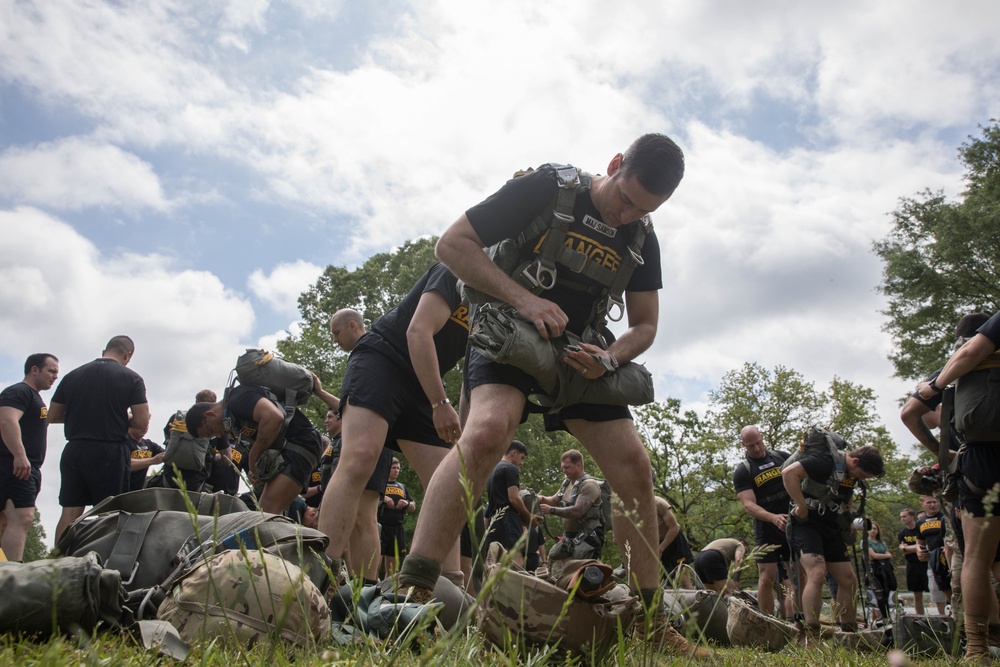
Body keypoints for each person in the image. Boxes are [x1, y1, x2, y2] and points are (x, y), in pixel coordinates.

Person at [396, 134, 705, 658]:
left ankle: (652, 625)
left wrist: (609, 358)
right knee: (488, 432)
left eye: (644, 211)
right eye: (625, 199)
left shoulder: (641, 238)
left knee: (633, 466)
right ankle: (411, 591)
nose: (627, 216)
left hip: (581, 355)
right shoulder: (547, 187)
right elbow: (452, 245)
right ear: (613, 165)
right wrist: (526, 299)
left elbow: (646, 325)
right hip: (510, 332)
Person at [319, 262, 470, 587]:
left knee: (449, 482)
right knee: (360, 457)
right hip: (383, 360)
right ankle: (320, 578)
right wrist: (441, 404)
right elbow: (418, 332)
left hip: (424, 384)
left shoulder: (503, 306)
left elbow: (474, 371)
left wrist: (466, 427)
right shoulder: (460, 267)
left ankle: (448, 593)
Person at [916, 309, 1000, 661]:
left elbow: (911, 412)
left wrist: (945, 453)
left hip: (979, 460)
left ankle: (977, 648)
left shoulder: (958, 365)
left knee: (977, 560)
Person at [184, 372, 338, 515]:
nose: (217, 435)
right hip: (292, 447)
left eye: (211, 430)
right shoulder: (233, 416)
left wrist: (253, 457)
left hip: (301, 443)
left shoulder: (237, 400)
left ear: (209, 414)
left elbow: (274, 417)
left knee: (267, 511)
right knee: (266, 510)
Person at [50, 336, 149, 541]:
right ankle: (100, 563)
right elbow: (141, 422)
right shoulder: (132, 378)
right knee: (108, 513)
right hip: (109, 451)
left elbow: (53, 416)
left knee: (70, 512)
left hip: (75, 448)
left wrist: (83, 415)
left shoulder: (72, 375)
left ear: (105, 350)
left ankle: (57, 563)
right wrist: (123, 418)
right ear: (127, 355)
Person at [782, 442, 884, 639]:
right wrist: (801, 505)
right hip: (806, 524)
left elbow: (847, 494)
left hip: (832, 526)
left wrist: (849, 517)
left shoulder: (851, 473)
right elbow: (788, 474)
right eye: (861, 474)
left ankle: (849, 632)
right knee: (817, 573)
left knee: (849, 579)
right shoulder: (824, 461)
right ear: (854, 461)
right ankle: (811, 633)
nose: (859, 478)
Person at [0, 353, 59, 561]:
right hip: (15, 465)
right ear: (34, 370)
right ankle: (11, 576)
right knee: (22, 518)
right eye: (51, 371)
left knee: (7, 522)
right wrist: (19, 455)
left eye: (56, 373)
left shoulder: (34, 397)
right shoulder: (19, 392)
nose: (55, 376)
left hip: (24, 466)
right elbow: (6, 421)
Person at [733, 425, 795, 620]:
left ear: (762, 436)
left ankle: (795, 620)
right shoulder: (743, 470)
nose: (757, 449)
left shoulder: (782, 457)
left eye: (758, 443)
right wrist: (772, 517)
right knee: (767, 577)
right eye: (751, 446)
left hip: (792, 522)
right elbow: (748, 505)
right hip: (767, 527)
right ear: (743, 445)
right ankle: (767, 622)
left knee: (796, 577)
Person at [538, 449, 605, 561]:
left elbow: (578, 511)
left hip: (587, 537)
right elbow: (554, 500)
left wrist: (552, 510)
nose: (564, 470)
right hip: (570, 537)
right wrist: (540, 498)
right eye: (563, 467)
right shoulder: (567, 483)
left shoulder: (589, 485)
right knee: (554, 556)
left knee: (583, 569)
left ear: (578, 465)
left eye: (567, 467)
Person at [484, 441, 534, 567]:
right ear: (514, 453)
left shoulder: (493, 471)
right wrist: (528, 517)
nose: (521, 462)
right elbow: (514, 498)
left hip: (493, 521)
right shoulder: (510, 469)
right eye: (521, 458)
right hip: (508, 520)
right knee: (516, 562)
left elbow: (489, 507)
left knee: (495, 563)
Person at [915, 494, 951, 616]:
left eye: (934, 502)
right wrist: (919, 551)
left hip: (949, 555)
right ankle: (943, 618)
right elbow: (919, 542)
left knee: (953, 587)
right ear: (922, 504)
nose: (932, 505)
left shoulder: (945, 517)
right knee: (937, 590)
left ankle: (958, 615)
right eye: (929, 503)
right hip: (933, 560)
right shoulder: (920, 522)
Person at [381, 457, 416, 576]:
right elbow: (369, 501)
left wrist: (407, 503)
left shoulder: (402, 487)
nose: (396, 470)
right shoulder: (381, 485)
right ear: (387, 469)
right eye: (393, 468)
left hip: (397, 527)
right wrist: (383, 498)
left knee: (392, 568)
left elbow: (413, 506)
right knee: (375, 563)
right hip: (381, 526)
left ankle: (388, 589)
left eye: (398, 468)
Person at [654, 496, 694, 588]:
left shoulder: (659, 503)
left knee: (682, 576)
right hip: (656, 543)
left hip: (674, 541)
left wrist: (661, 548)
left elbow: (674, 527)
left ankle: (692, 600)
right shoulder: (635, 507)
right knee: (663, 579)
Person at [897, 507, 928, 615]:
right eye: (901, 517)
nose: (902, 519)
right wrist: (916, 547)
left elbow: (925, 546)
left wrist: (908, 548)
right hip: (912, 565)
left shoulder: (920, 529)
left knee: (936, 591)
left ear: (912, 517)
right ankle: (920, 617)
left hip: (926, 563)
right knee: (917, 594)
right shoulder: (902, 533)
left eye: (904, 516)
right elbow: (903, 550)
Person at [867, 521, 897, 621]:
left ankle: (887, 616)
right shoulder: (866, 542)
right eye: (871, 528)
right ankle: (884, 616)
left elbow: (889, 554)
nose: (873, 531)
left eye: (875, 529)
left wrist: (882, 556)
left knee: (886, 593)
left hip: (885, 569)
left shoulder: (882, 543)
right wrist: (885, 556)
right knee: (879, 594)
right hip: (874, 570)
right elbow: (873, 556)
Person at [127, 424, 164, 491]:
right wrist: (152, 460)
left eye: (147, 426)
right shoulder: (123, 442)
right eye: (141, 425)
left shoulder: (149, 444)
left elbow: (168, 454)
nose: (145, 429)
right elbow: (124, 464)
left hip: (138, 489)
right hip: (122, 489)